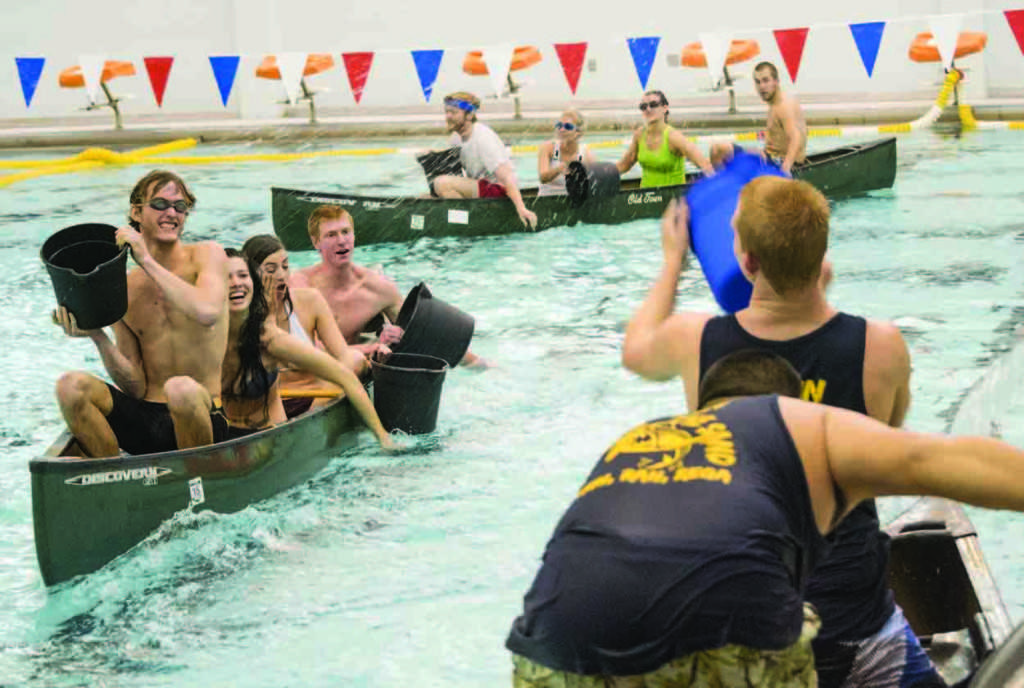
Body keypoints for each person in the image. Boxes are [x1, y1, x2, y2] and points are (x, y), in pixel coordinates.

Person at [506, 348, 1024, 687]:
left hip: (550, 645)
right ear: (787, 399)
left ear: (699, 408)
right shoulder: (792, 419)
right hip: (728, 625)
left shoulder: (640, 440)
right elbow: (937, 461)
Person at [622, 178, 938, 688]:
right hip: (857, 625)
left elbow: (635, 348)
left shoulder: (698, 342)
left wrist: (672, 260)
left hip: (751, 631)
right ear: (823, 257)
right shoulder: (880, 345)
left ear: (746, 263)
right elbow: (887, 436)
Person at [53, 170, 233, 457]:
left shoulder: (208, 254)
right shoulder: (125, 287)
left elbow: (207, 312)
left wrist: (146, 259)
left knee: (180, 389)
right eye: (160, 204)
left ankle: (196, 481)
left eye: (180, 207)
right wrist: (97, 336)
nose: (171, 213)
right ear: (136, 212)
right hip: (147, 418)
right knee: (69, 386)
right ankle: (112, 478)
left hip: (202, 414)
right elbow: (134, 387)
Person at [222, 249, 393, 448]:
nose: (235, 283)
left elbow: (345, 376)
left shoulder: (269, 338)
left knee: (352, 361)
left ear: (253, 283)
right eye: (227, 277)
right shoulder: (206, 337)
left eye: (242, 276)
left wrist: (383, 439)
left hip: (273, 440)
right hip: (227, 440)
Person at [291, 205, 486, 368]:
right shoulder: (300, 285)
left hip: (352, 368)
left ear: (354, 235)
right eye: (331, 235)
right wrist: (372, 348)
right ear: (316, 242)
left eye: (345, 232)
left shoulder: (377, 289)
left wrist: (475, 362)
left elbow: (424, 333)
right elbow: (305, 348)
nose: (341, 240)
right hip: (310, 368)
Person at [241, 234, 370, 418]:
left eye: (285, 266)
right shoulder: (239, 314)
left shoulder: (310, 300)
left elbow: (343, 355)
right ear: (251, 275)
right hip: (266, 409)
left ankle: (304, 423)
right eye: (271, 270)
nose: (281, 275)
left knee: (355, 359)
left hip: (317, 400)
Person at [430, 91, 538, 229]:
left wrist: (521, 208)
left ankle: (463, 224)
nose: (448, 116)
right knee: (427, 196)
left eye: (453, 112)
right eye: (447, 112)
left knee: (442, 183)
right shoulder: (456, 138)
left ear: (469, 115)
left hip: (499, 191)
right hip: (481, 188)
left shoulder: (483, 137)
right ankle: (459, 219)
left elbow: (507, 177)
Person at [711, 61, 807, 174]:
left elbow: (796, 137)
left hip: (777, 164)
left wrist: (785, 170)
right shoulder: (776, 102)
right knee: (722, 150)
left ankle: (719, 184)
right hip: (770, 158)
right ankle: (722, 180)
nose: (762, 86)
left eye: (766, 81)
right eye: (758, 82)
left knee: (718, 150)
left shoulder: (783, 106)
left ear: (776, 81)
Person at [615, 89, 714, 186]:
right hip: (647, 198)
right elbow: (624, 165)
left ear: (665, 108)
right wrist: (602, 174)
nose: (648, 109)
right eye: (643, 106)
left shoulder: (674, 138)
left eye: (653, 105)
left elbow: (704, 165)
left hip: (671, 199)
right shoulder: (639, 135)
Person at [536, 109, 596, 196]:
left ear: (578, 132)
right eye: (559, 125)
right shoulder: (547, 148)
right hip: (547, 198)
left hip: (573, 200)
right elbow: (543, 178)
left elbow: (594, 182)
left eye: (568, 126)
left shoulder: (587, 154)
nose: (562, 129)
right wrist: (560, 168)